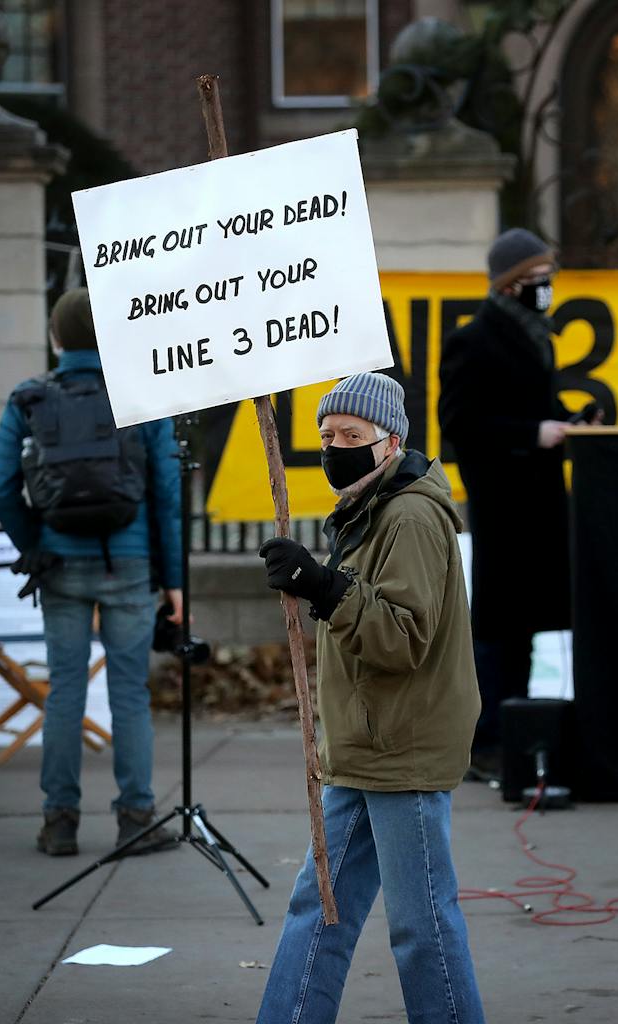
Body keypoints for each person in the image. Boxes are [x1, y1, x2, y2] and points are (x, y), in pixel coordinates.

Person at [254, 372, 485, 1024]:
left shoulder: (408, 515)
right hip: (362, 744)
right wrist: (319, 587)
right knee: (320, 907)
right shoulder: (368, 510)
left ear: (390, 444)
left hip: (401, 745)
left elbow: (402, 637)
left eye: (351, 436)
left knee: (422, 926)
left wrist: (324, 588)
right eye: (327, 435)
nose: (335, 447)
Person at [0, 287, 182, 858]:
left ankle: (60, 823)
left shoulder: (28, 399)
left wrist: (36, 545)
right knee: (130, 692)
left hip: (61, 565)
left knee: (64, 691)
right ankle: (136, 818)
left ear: (56, 338)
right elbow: (166, 495)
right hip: (130, 564)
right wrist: (173, 583)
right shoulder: (142, 396)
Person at [438, 228, 596, 778]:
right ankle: (484, 741)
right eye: (535, 280)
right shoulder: (473, 340)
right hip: (505, 503)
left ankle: (518, 733)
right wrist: (534, 433)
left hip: (542, 502)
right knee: (500, 628)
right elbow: (459, 423)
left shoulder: (537, 336)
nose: (546, 288)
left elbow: (539, 405)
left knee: (526, 624)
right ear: (509, 285)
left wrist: (570, 424)